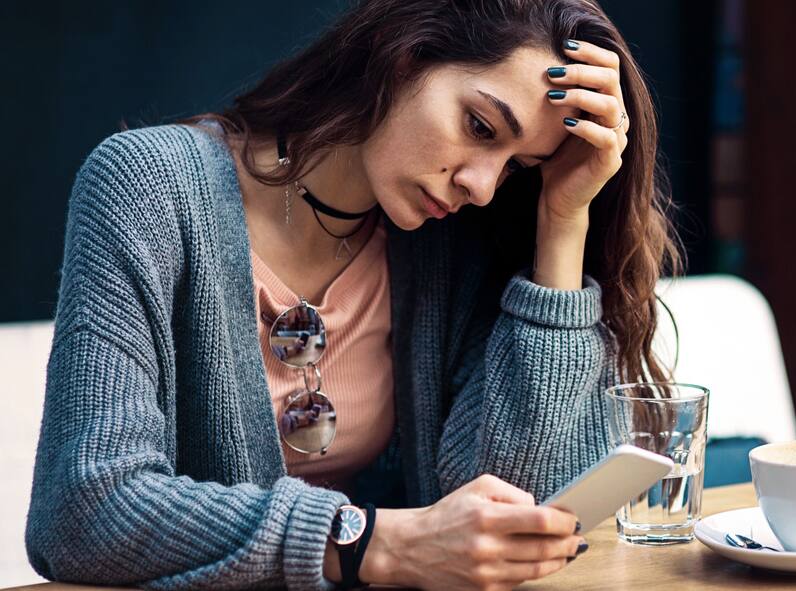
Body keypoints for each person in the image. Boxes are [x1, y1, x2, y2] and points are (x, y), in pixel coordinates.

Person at [25, 0, 682, 589]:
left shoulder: (450, 245)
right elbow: (85, 510)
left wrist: (563, 221)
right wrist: (371, 541)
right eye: (481, 127)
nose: (483, 184)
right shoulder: (148, 187)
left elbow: (514, 509)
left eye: (517, 166)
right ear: (403, 55)